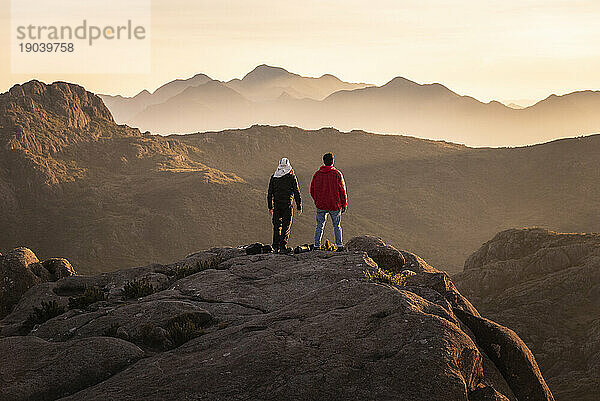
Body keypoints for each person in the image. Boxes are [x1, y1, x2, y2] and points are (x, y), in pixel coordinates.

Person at [310, 153, 347, 251]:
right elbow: (342, 190)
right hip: (334, 205)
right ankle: (339, 246)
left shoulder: (317, 174)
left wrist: (317, 200)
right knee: (337, 226)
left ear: (324, 161)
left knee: (319, 225)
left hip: (321, 205)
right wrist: (344, 204)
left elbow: (312, 189)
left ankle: (316, 246)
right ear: (332, 161)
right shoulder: (337, 174)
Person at [267, 157, 302, 253]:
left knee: (276, 226)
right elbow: (296, 192)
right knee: (286, 226)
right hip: (287, 205)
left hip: (277, 205)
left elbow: (270, 193)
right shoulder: (291, 177)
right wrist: (299, 206)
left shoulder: (274, 177)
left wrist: (270, 207)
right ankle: (283, 247)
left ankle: (275, 246)